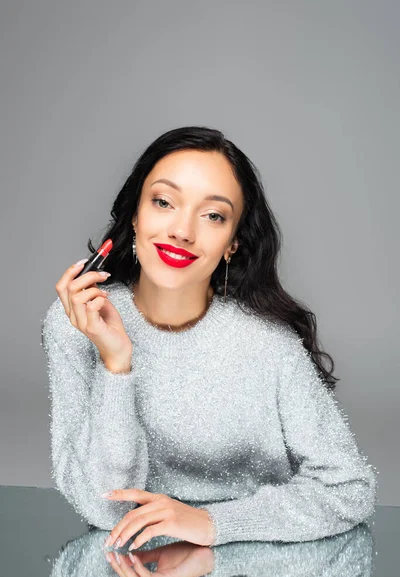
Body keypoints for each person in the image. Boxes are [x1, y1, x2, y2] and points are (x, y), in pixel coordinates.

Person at [41, 125, 377, 554]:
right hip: (124, 575)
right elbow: (106, 510)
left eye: (213, 215)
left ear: (233, 243)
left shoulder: (268, 344)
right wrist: (116, 364)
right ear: (134, 215)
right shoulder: (77, 321)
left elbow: (350, 488)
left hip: (255, 567)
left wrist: (213, 523)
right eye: (163, 202)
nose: (182, 230)